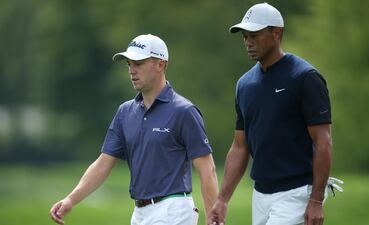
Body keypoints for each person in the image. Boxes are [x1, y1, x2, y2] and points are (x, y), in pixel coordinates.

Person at [49, 34, 219, 225]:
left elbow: (207, 169)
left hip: (174, 210)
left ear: (160, 65)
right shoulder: (125, 112)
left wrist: (213, 220)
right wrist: (71, 199)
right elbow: (104, 163)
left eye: (138, 63)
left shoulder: (184, 111)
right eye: (129, 64)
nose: (131, 70)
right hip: (139, 214)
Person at [208, 3, 333, 225]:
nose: (248, 42)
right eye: (245, 37)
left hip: (296, 193)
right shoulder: (244, 85)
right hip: (261, 194)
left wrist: (316, 199)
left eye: (254, 36)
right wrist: (222, 199)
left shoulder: (304, 78)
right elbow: (240, 146)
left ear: (276, 33)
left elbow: (323, 141)